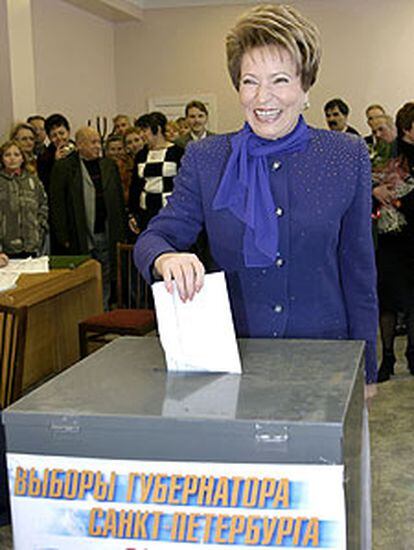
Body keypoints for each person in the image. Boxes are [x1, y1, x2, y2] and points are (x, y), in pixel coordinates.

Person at [134, 4, 378, 398]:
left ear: (305, 86)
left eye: (280, 79)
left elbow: (359, 269)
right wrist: (165, 258)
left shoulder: (345, 154)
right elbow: (154, 238)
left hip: (326, 361)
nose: (263, 97)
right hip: (233, 364)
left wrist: (366, 369)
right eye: (250, 81)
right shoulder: (207, 159)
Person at [50, 127, 126, 309]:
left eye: (99, 142)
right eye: (93, 143)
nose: (98, 146)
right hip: (79, 233)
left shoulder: (108, 165)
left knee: (106, 273)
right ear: (80, 144)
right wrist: (63, 236)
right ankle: (87, 312)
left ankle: (104, 309)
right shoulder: (64, 167)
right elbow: (57, 204)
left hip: (106, 231)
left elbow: (118, 200)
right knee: (84, 276)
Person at [372, 102, 414, 381]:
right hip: (389, 239)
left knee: (413, 302)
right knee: (386, 302)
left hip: (412, 238)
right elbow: (367, 186)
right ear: (407, 128)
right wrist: (376, 190)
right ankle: (387, 357)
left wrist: (397, 199)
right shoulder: (388, 153)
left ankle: (412, 355)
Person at [128, 112, 184, 234]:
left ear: (157, 129)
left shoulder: (177, 152)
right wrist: (132, 214)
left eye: (144, 130)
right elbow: (136, 186)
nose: (141, 135)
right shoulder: (141, 155)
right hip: (146, 214)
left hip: (171, 213)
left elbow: (184, 185)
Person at [0, 141, 48, 258]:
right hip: (6, 248)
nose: (12, 159)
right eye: (7, 155)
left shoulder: (33, 181)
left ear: (22, 158)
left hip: (31, 245)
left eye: (16, 155)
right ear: (2, 159)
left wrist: (39, 228)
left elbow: (43, 206)